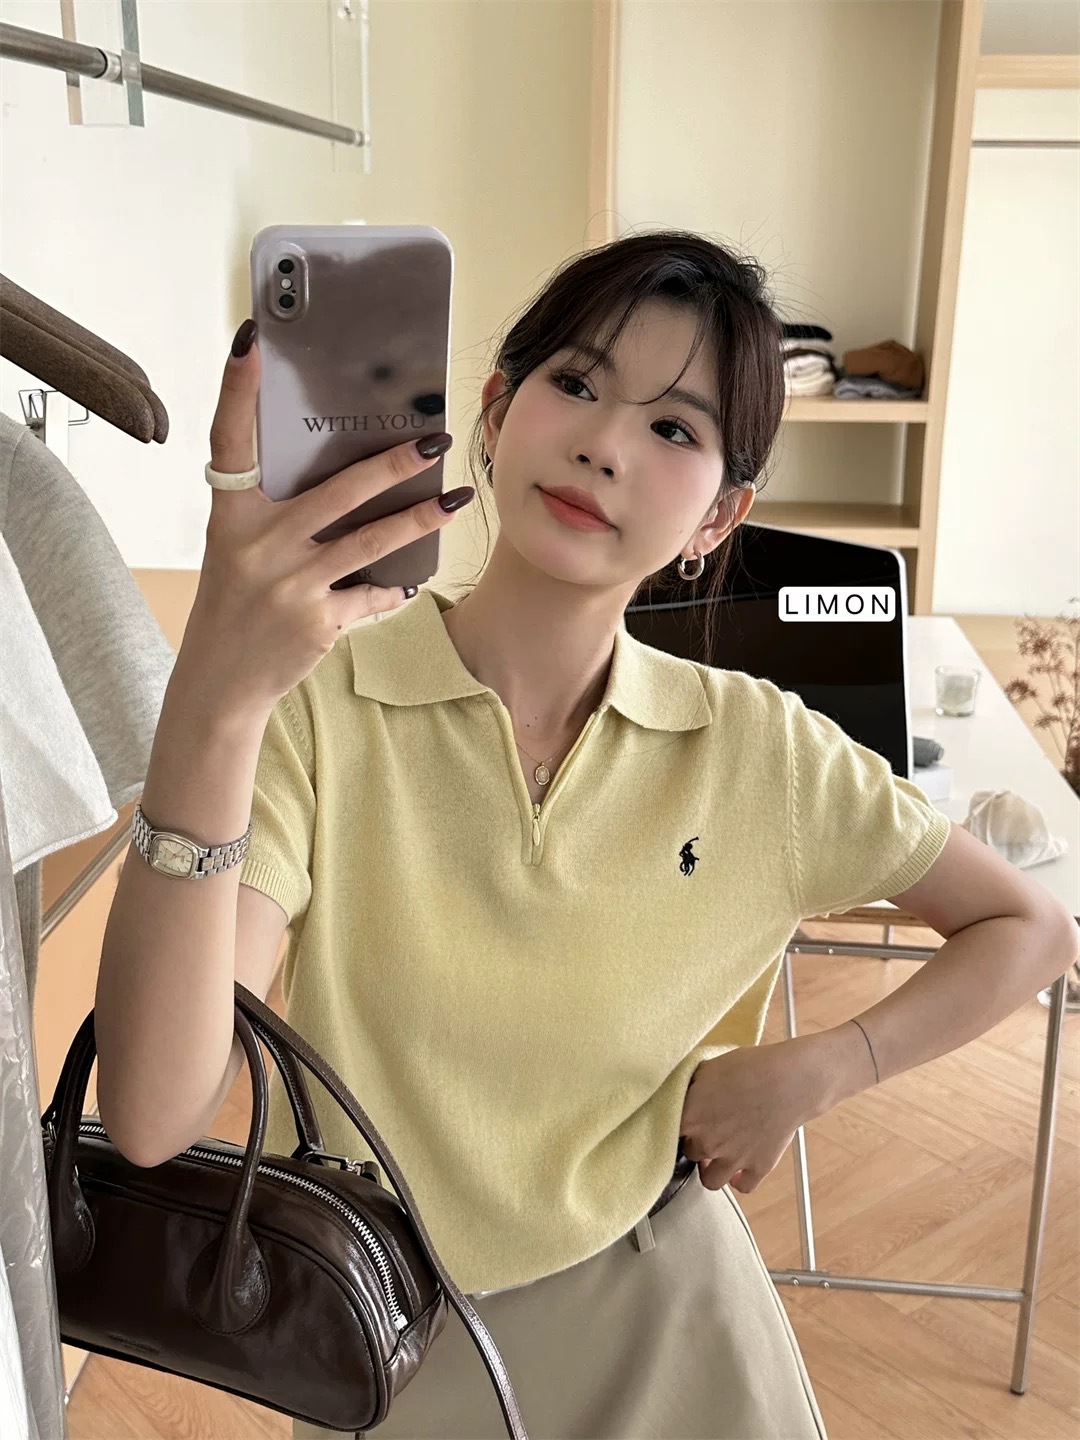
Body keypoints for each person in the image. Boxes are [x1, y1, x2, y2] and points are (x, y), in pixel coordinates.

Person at [94, 230, 1077, 1439]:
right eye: (575, 383)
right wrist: (215, 694)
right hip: (389, 1337)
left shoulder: (760, 750)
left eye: (674, 429)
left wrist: (819, 1068)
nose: (605, 445)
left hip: (672, 1325)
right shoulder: (315, 708)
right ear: (494, 411)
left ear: (722, 514)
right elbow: (156, 1114)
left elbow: (1031, 926)